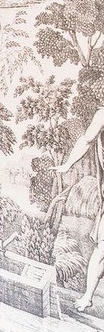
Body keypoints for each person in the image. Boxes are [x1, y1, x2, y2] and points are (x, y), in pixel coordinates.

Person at [55, 105, 104, 311]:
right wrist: (67, 165)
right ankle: (88, 296)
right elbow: (86, 140)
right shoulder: (102, 114)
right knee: (102, 250)